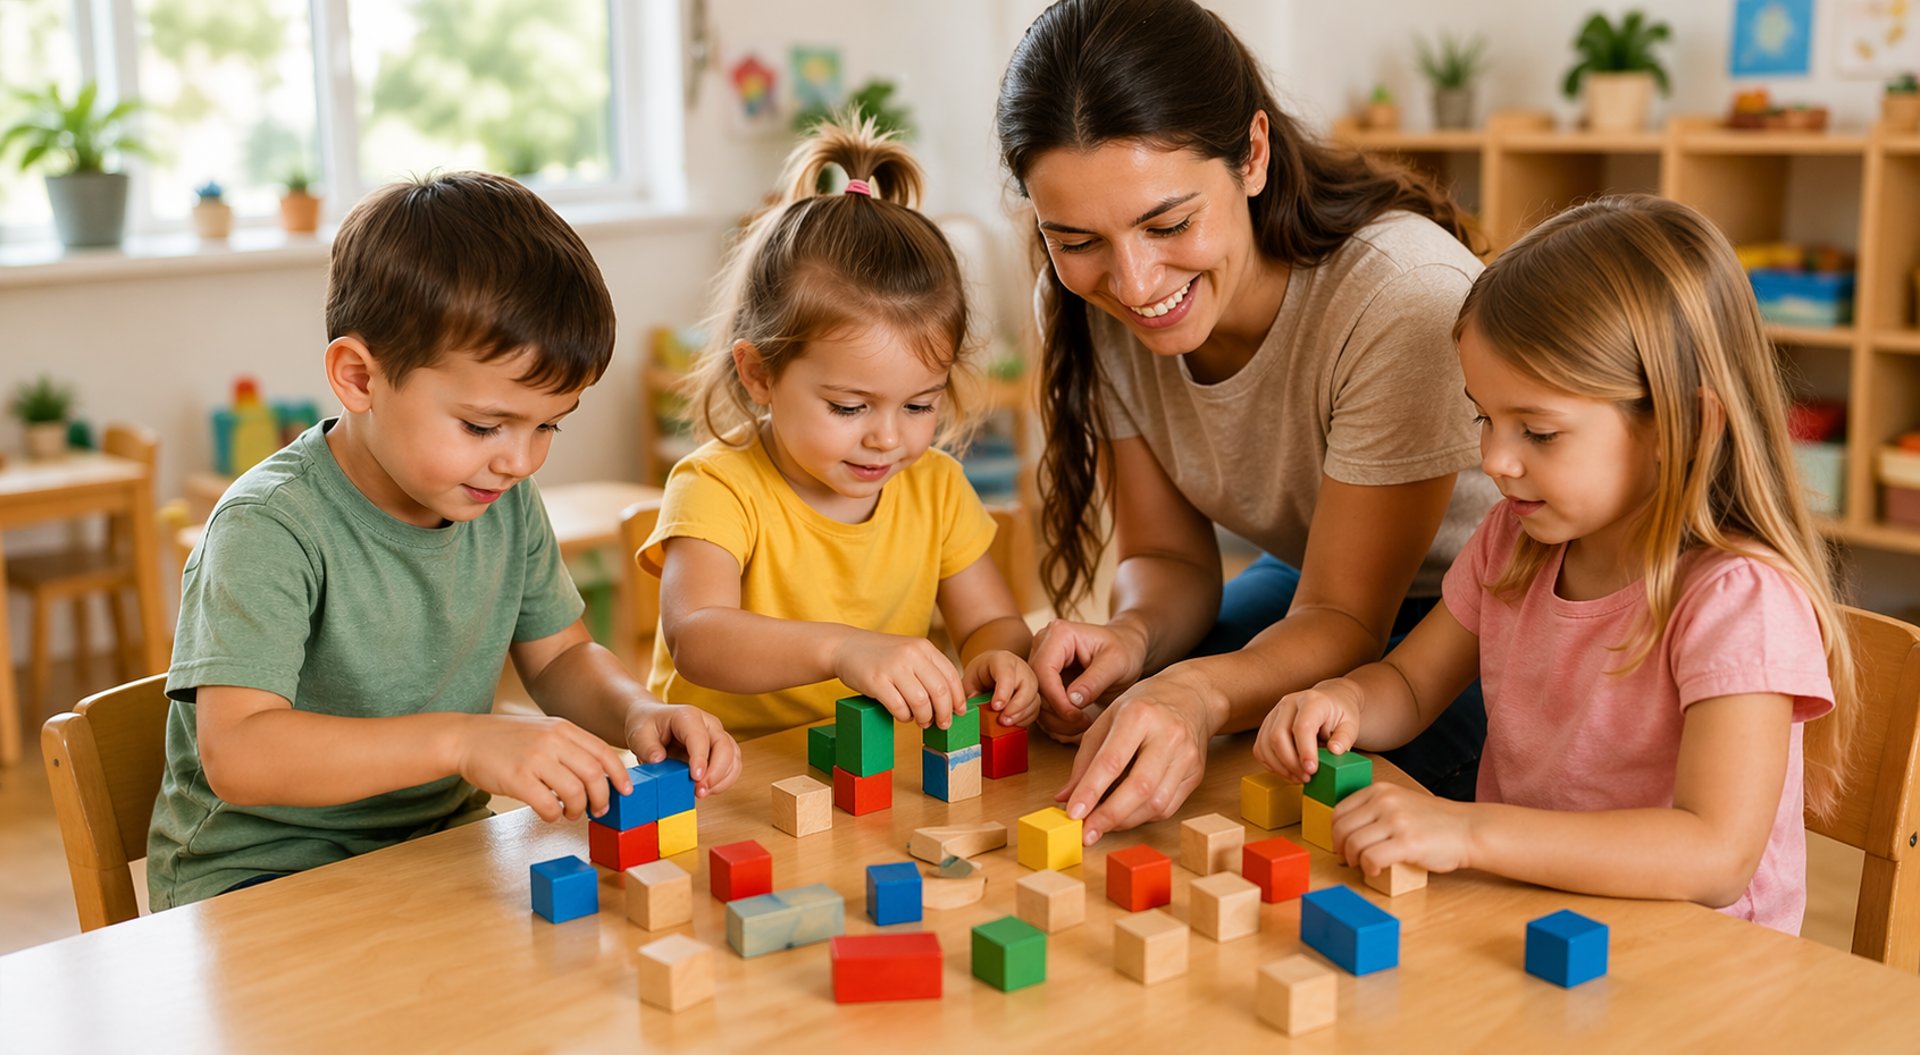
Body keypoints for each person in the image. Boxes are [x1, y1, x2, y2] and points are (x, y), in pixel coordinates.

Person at [1258, 195, 1855, 934]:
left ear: (1684, 426)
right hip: (1524, 917)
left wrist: (1465, 829)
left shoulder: (1740, 601)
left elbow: (1714, 853)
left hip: (1698, 969)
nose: (1495, 460)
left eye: (1539, 431)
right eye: (1485, 416)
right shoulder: (1515, 542)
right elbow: (1411, 683)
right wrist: (1343, 701)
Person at [150, 172, 741, 910]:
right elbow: (239, 752)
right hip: (262, 878)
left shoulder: (501, 501)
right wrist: (464, 741)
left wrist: (636, 713)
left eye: (547, 425)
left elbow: (560, 655)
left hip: (435, 851)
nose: (519, 460)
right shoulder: (267, 527)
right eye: (483, 425)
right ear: (359, 377)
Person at [995, 0, 1500, 842]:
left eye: (1169, 223)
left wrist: (1196, 690)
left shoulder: (1399, 296)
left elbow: (1346, 616)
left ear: (1254, 154)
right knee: (1116, 710)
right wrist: (1132, 636)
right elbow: (1165, 558)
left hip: (1481, 611)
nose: (1132, 280)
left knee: (1287, 778)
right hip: (1315, 581)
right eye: (1076, 238)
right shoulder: (1083, 303)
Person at [641, 117, 1038, 742]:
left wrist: (1000, 657)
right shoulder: (715, 486)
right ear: (759, 374)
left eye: (917, 406)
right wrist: (842, 650)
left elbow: (992, 624)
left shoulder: (935, 487)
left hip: (876, 766)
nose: (887, 438)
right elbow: (699, 638)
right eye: (850, 408)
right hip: (725, 773)